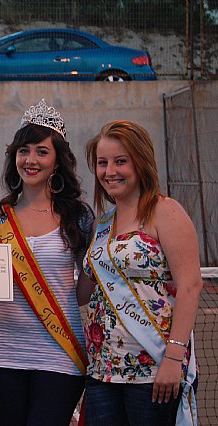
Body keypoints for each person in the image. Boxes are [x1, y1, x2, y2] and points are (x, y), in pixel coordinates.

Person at [0, 99, 93, 425]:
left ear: (58, 160)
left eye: (42, 151)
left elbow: (81, 293)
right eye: (23, 150)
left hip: (60, 351)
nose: (31, 160)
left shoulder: (78, 216)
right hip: (0, 353)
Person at [82, 120, 202, 426]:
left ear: (141, 162)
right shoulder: (102, 223)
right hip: (103, 370)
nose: (110, 171)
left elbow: (190, 285)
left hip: (153, 368)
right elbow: (86, 291)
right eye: (102, 163)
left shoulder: (165, 211)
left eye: (121, 161)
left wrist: (174, 357)